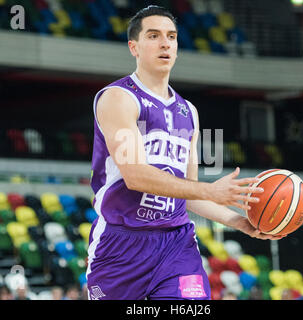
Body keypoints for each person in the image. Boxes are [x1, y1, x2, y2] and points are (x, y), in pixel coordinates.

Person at [86, 5, 284, 301]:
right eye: (153, 36)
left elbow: (188, 194)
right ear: (134, 47)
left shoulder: (188, 111)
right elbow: (136, 176)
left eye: (172, 36)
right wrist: (211, 190)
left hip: (176, 244)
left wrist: (239, 222)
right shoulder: (118, 98)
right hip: (121, 245)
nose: (165, 43)